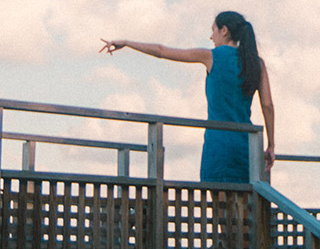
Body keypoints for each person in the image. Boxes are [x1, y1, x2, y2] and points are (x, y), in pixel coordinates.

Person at [99, 11, 275, 183]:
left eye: (213, 30)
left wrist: (128, 43)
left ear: (224, 30)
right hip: (247, 144)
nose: (211, 36)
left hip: (218, 142)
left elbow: (161, 51)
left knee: (219, 207)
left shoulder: (211, 56)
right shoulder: (256, 63)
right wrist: (271, 145)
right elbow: (267, 105)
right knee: (245, 207)